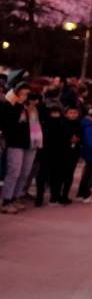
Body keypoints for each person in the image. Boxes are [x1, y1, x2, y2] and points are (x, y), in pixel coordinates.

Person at [0, 83, 34, 213]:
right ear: (16, 93)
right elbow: (8, 124)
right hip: (13, 142)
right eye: (22, 94)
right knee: (14, 171)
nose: (24, 97)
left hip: (26, 142)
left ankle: (15, 197)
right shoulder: (8, 105)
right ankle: (6, 201)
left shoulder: (25, 107)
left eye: (26, 94)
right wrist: (19, 107)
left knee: (23, 172)